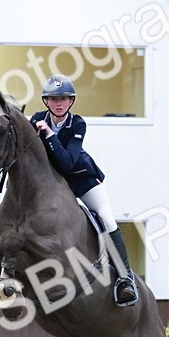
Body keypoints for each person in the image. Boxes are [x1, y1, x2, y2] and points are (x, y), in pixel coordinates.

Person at [31, 74, 138, 307]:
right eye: (53, 99)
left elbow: (68, 162)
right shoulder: (37, 119)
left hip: (82, 181)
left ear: (71, 102)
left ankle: (124, 278)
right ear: (46, 102)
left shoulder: (77, 123)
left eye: (64, 99)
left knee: (108, 219)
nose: (58, 103)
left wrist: (48, 135)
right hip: (54, 185)